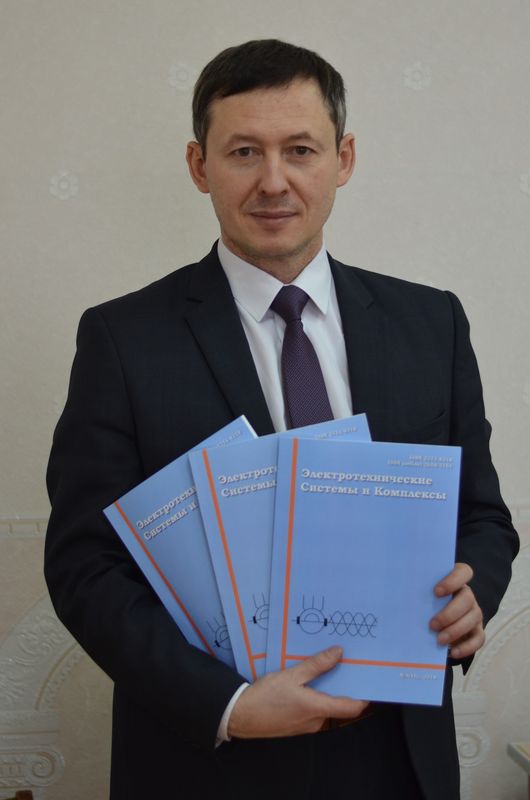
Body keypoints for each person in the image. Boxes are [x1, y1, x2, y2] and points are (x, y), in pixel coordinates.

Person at [44, 39, 518, 799]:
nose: (274, 181)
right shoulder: (122, 339)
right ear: (199, 165)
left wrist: (475, 593)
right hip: (208, 763)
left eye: (300, 149)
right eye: (243, 152)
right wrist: (228, 706)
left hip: (399, 756)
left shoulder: (432, 323)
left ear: (343, 158)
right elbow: (84, 566)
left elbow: (484, 518)